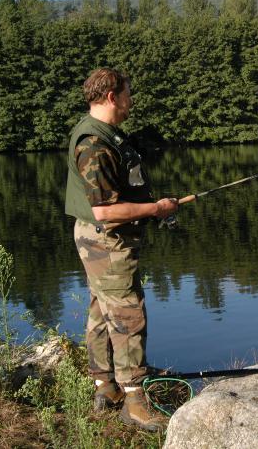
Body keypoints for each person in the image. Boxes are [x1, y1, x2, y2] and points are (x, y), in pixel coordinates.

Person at [65, 67, 178, 431]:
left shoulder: (104, 134)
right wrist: (156, 208)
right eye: (128, 94)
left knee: (102, 310)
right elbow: (104, 211)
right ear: (112, 96)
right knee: (128, 315)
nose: (132, 100)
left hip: (98, 240)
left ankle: (105, 387)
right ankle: (135, 401)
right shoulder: (94, 144)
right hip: (106, 241)